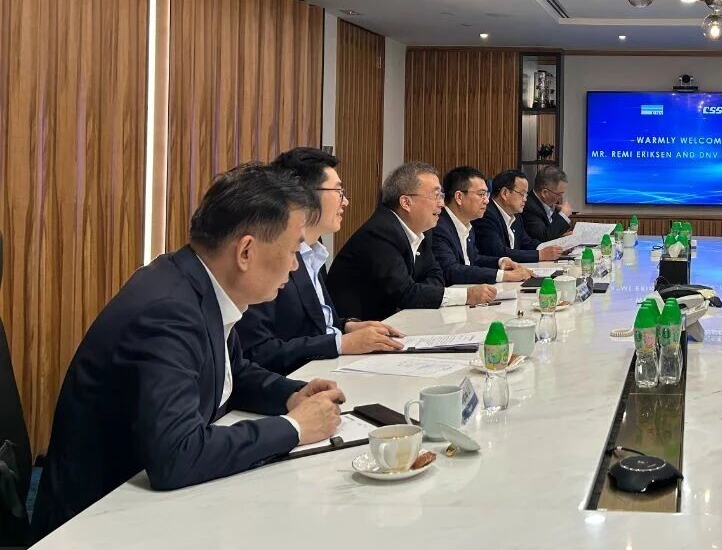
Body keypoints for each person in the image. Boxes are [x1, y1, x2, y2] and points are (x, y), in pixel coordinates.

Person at [32, 165, 346, 538]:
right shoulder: (169, 311)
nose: (295, 266)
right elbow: (176, 454)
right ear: (246, 251)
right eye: (293, 250)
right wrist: (294, 428)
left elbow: (232, 371)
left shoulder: (196, 282)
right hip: (97, 524)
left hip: (151, 507)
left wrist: (291, 395)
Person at [237, 148, 405, 375]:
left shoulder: (315, 249)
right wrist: (340, 343)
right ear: (304, 195)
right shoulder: (268, 255)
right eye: (338, 192)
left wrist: (348, 327)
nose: (345, 201)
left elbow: (314, 322)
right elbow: (257, 351)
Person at [327, 163, 496, 321]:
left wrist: (418, 292)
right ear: (406, 202)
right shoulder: (381, 232)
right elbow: (405, 293)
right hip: (357, 329)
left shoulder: (422, 230)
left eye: (441, 196)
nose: (442, 203)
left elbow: (436, 275)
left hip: (398, 320)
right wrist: (467, 295)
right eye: (436, 195)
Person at [432, 166, 533, 285]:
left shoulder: (467, 225)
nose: (487, 201)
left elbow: (474, 259)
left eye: (487, 195)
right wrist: (503, 275)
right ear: (459, 197)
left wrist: (500, 261)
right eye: (481, 194)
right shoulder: (439, 227)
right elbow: (451, 270)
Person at [474, 169, 563, 263]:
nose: (525, 199)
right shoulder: (485, 215)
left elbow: (526, 243)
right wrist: (540, 255)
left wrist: (555, 249)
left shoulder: (516, 216)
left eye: (526, 195)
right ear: (505, 193)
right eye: (522, 194)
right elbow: (498, 252)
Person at [522, 165, 573, 243]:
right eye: (559, 194)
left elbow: (552, 233)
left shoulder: (549, 204)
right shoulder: (528, 207)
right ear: (544, 193)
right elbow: (543, 238)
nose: (561, 197)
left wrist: (561, 237)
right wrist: (563, 215)